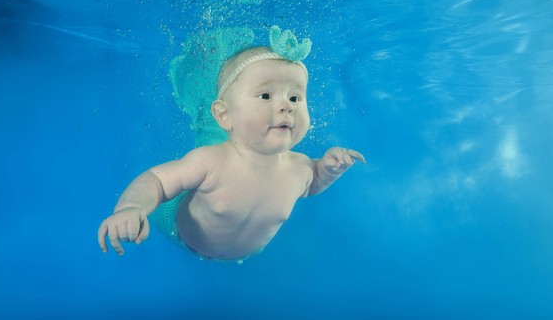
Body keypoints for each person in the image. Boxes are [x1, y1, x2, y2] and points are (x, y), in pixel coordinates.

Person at [97, 28, 365, 263]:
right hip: (177, 227)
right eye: (266, 95)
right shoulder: (209, 162)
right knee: (162, 194)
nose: (286, 106)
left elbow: (312, 184)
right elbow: (156, 180)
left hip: (242, 253)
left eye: (295, 97)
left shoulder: (303, 167)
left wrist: (328, 171)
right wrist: (132, 208)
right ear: (225, 115)